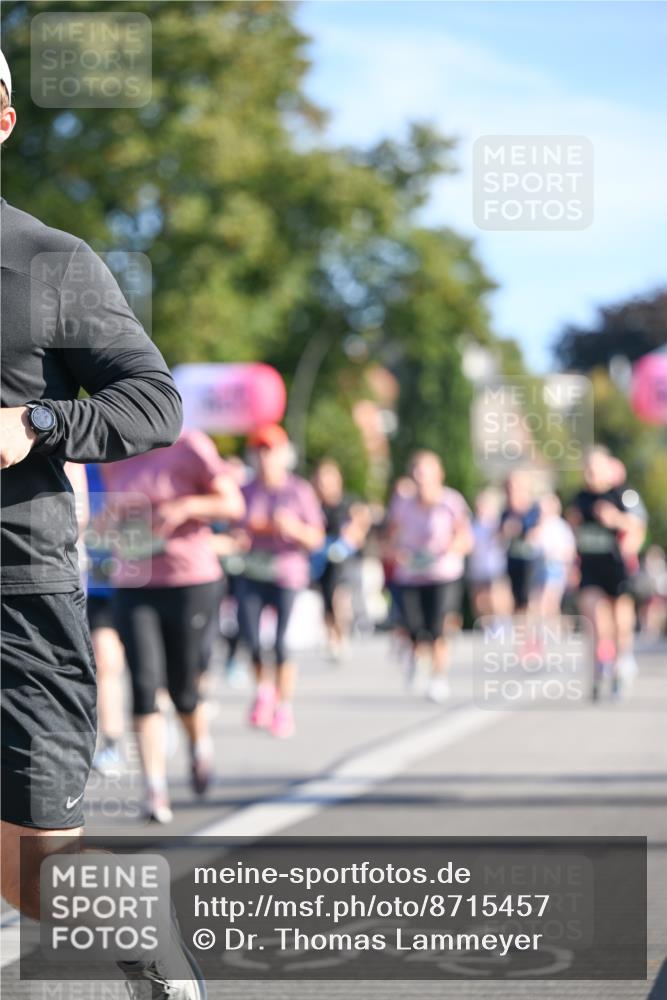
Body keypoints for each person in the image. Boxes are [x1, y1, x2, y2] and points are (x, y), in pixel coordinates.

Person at [0, 51, 208, 1000]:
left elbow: (155, 402)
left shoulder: (48, 260)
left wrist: (39, 422)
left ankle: (153, 956)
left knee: (38, 871)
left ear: (2, 121)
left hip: (17, 598)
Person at [102, 430, 245, 822]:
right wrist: (109, 521)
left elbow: (233, 503)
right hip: (133, 580)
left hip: (189, 580)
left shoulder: (190, 445)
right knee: (144, 684)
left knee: (183, 687)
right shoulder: (112, 447)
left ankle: (199, 745)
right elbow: (106, 512)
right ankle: (154, 789)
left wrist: (183, 508)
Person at [237, 424, 325, 738]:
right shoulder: (245, 490)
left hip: (287, 573)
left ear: (283, 454)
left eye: (270, 450)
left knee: (282, 644)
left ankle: (284, 708)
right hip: (252, 571)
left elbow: (316, 538)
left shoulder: (298, 490)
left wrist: (293, 529)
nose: (265, 457)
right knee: (250, 639)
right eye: (259, 451)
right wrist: (246, 534)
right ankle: (263, 691)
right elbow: (235, 528)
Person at [386, 451, 473, 702]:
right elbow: (391, 537)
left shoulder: (451, 502)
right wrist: (397, 552)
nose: (421, 479)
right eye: (417, 473)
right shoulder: (402, 503)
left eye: (426, 473)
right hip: (411, 574)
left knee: (438, 628)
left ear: (438, 474)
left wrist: (450, 548)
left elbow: (465, 537)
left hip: (443, 573)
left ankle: (438, 678)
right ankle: (416, 658)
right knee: (413, 627)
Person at [568, 446, 647, 699]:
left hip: (617, 568)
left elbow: (638, 525)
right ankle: (599, 670)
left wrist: (615, 519)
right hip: (590, 569)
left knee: (621, 625)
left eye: (595, 468)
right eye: (587, 469)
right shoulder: (579, 499)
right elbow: (571, 530)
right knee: (596, 622)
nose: (591, 474)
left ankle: (622, 662)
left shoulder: (623, 495)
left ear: (607, 468)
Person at [84, 463, 127, 775]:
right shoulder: (76, 462)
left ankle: (160, 708)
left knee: (152, 663)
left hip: (147, 582)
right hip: (97, 585)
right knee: (105, 658)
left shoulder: (138, 456)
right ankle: (113, 743)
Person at [311, 458, 371, 661]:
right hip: (322, 560)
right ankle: (332, 636)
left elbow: (361, 526)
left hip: (346, 559)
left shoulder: (349, 503)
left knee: (340, 596)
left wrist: (348, 541)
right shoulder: (314, 506)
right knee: (326, 601)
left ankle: (342, 633)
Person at [500, 471, 543, 614]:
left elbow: (534, 533)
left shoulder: (534, 509)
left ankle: (532, 634)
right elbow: (501, 535)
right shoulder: (506, 512)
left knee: (531, 601)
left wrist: (516, 528)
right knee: (514, 602)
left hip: (531, 562)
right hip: (513, 560)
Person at [467, 488, 512, 620]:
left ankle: (503, 622)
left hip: (494, 567)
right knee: (479, 600)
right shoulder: (473, 525)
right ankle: (485, 623)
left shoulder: (497, 523)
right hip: (477, 568)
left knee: (497, 597)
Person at [531, 493, 577, 618]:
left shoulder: (560, 526)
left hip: (555, 565)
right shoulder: (540, 526)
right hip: (539, 565)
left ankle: (551, 629)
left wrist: (569, 569)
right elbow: (532, 544)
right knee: (537, 600)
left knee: (550, 599)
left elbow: (568, 550)